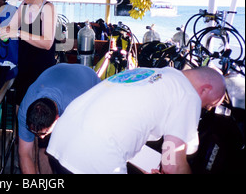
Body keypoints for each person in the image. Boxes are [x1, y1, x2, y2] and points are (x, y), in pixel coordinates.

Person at [46, 66, 226, 174]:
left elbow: (122, 124)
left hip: (60, 143)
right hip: (91, 158)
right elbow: (173, 165)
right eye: (208, 105)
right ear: (205, 89)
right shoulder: (188, 94)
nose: (203, 110)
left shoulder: (150, 73)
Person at [18, 63, 101, 174]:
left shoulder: (74, 109)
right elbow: (25, 154)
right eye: (36, 133)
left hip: (89, 83)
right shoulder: (25, 110)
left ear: (57, 119)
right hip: (58, 74)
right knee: (45, 147)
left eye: (44, 133)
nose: (41, 137)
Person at [0, 0, 57, 105]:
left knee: (37, 113)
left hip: (42, 72)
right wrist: (1, 32)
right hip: (24, 68)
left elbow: (47, 42)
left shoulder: (48, 8)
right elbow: (10, 29)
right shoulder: (23, 6)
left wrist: (18, 33)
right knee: (20, 109)